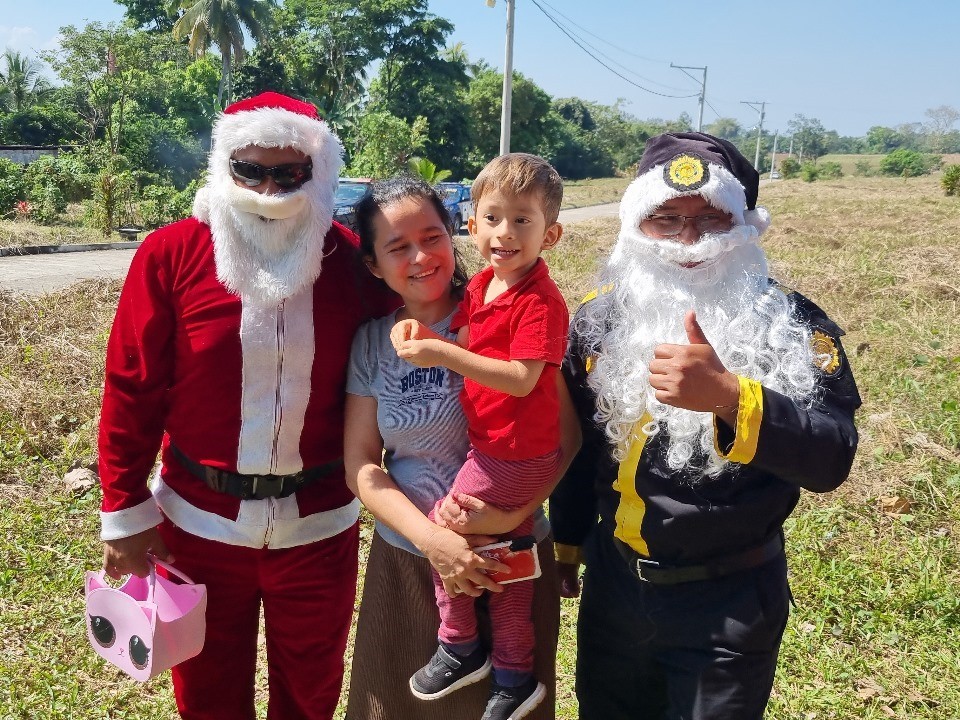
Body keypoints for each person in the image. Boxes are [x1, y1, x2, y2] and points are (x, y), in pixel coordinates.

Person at [97, 91, 395, 720]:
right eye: (250, 169)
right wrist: (123, 510)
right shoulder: (173, 253)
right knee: (207, 697)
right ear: (222, 165)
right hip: (196, 526)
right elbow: (132, 384)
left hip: (319, 528)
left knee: (311, 696)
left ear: (319, 173)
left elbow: (409, 356)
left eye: (290, 173)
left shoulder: (352, 263)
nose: (268, 189)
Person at [550, 131, 861, 720]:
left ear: (745, 225)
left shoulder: (793, 326)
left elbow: (832, 457)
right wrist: (566, 541)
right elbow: (581, 447)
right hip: (615, 591)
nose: (688, 241)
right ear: (636, 226)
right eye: (666, 220)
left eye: (710, 219)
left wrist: (729, 397)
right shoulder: (597, 322)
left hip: (730, 602)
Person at [344, 175, 577, 720]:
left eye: (432, 237)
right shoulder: (372, 342)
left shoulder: (506, 311)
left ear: (455, 235)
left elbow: (566, 438)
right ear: (374, 264)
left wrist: (514, 514)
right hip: (409, 561)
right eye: (398, 247)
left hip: (509, 558)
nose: (420, 257)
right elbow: (361, 465)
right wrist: (434, 542)